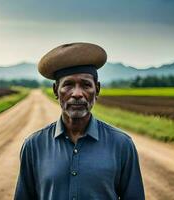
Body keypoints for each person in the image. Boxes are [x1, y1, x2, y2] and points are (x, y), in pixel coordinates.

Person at [14, 42, 145, 200]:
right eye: (68, 85)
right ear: (56, 91)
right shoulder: (34, 145)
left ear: (97, 90)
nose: (77, 94)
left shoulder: (122, 144)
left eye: (86, 85)